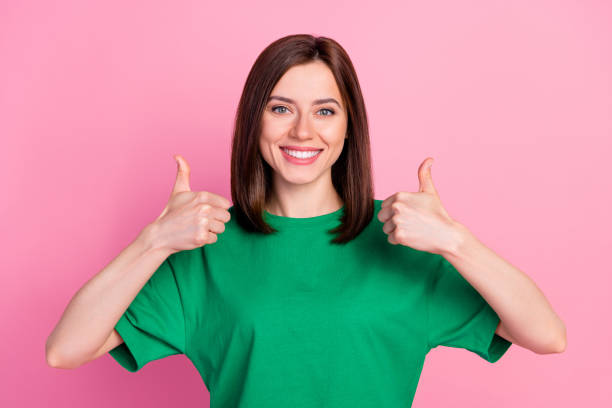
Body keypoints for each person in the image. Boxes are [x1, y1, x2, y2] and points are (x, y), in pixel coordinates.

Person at [46, 34, 566, 407]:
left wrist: (456, 241)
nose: (301, 132)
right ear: (255, 121)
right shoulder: (206, 250)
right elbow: (66, 350)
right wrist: (153, 241)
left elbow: (546, 335)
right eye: (279, 108)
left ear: (348, 126)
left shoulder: (404, 243)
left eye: (324, 111)